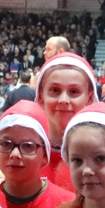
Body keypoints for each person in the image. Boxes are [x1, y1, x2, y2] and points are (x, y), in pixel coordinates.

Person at [36, 52, 99, 191]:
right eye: (55, 90)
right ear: (40, 96)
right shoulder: (27, 152)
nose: (64, 100)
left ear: (89, 98)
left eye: (74, 91)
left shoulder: (103, 158)